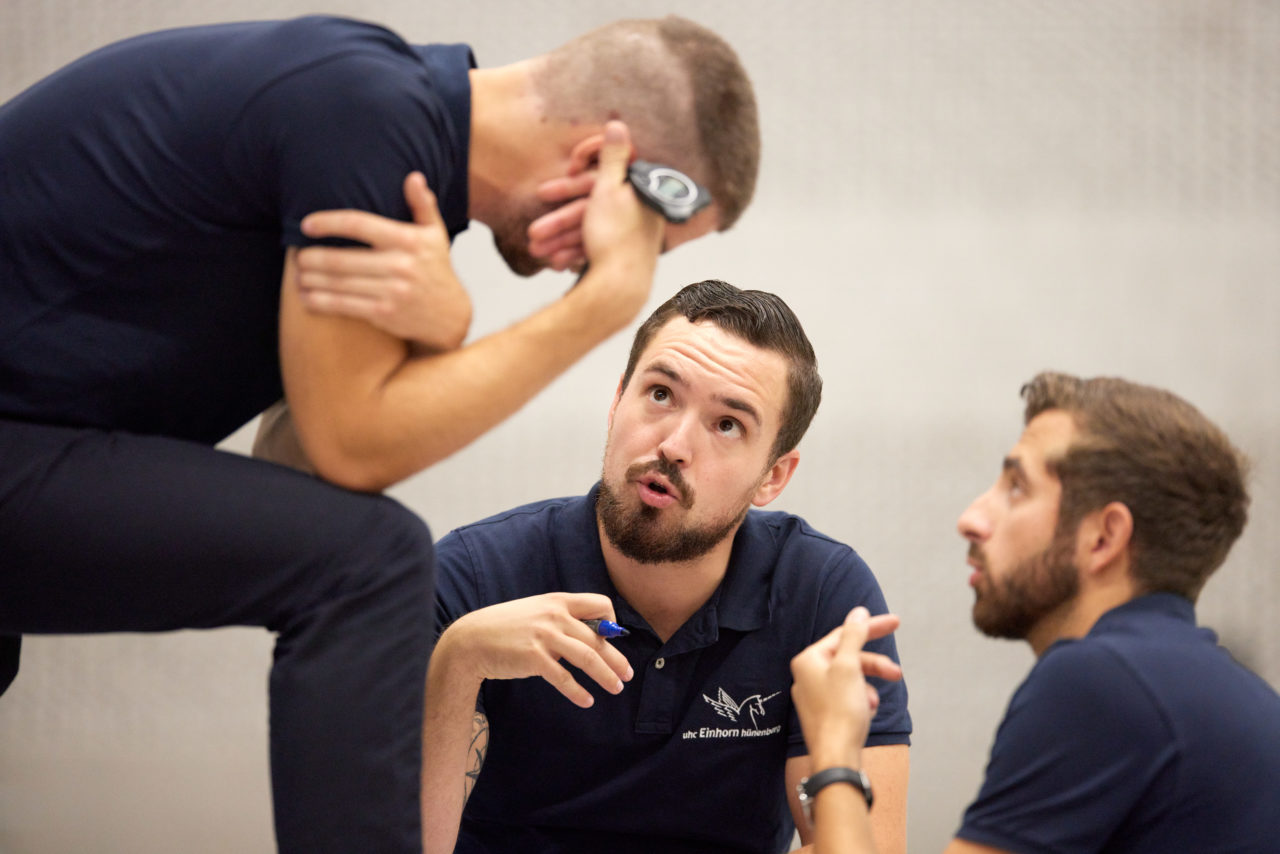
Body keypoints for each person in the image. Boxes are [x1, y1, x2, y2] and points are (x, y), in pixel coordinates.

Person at [0, 14, 759, 854]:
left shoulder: (395, 145)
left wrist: (440, 335)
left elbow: (302, 474)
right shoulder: (362, 111)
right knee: (373, 563)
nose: (605, 263)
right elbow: (351, 450)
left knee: (355, 551)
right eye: (640, 241)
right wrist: (601, 306)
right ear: (598, 165)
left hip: (33, 443)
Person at [421, 280, 912, 854]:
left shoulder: (821, 594)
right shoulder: (474, 578)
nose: (674, 444)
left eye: (727, 424)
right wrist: (458, 661)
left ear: (773, 477)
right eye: (659, 394)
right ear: (616, 402)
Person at [789, 372, 1280, 854]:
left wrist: (834, 749)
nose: (972, 518)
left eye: (1017, 488)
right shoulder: (1236, 695)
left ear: (1104, 537)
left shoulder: (1098, 682)